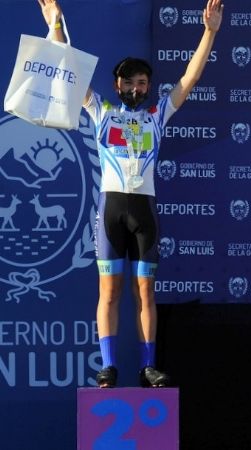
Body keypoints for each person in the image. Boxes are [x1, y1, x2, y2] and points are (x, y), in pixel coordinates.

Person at [38, 0, 223, 387]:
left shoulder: (158, 115)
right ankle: (107, 366)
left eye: (142, 83)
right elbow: (69, 74)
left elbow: (190, 78)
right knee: (110, 291)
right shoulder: (103, 111)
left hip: (145, 212)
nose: (136, 88)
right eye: (129, 82)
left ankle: (147, 366)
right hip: (111, 209)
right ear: (117, 84)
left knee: (145, 292)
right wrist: (56, 26)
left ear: (148, 87)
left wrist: (210, 32)